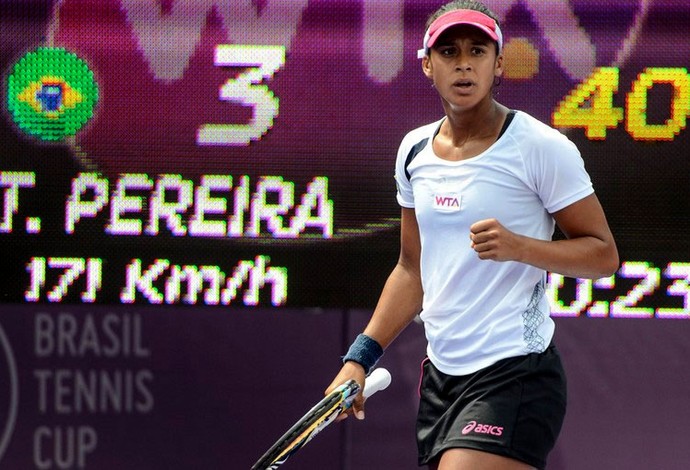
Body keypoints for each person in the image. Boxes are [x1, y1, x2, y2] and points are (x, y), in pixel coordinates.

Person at [325, 1, 619, 469]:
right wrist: (359, 358)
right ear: (427, 65)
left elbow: (604, 256)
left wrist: (520, 247)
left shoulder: (541, 148)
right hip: (441, 381)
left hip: (516, 374)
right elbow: (410, 269)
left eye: (477, 50)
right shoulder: (414, 151)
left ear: (498, 63)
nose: (463, 62)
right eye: (448, 51)